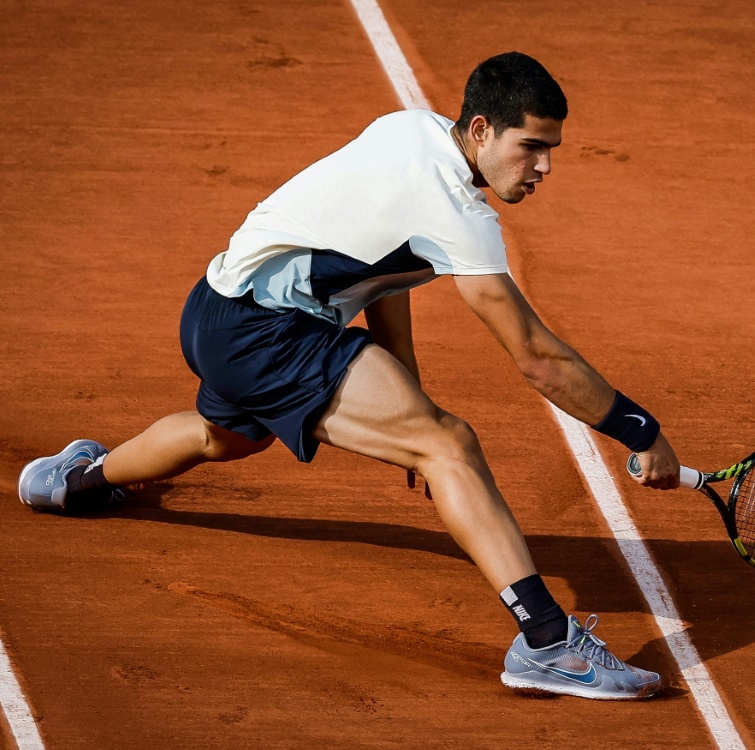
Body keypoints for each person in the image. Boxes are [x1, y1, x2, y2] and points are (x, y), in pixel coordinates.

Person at [18, 52, 681, 700]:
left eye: (551, 150)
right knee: (447, 443)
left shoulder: (410, 130)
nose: (542, 167)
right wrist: (638, 429)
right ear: (480, 129)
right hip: (266, 332)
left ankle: (76, 481)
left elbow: (383, 275)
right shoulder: (457, 211)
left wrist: (407, 396)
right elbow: (536, 357)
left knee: (227, 438)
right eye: (530, 146)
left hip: (216, 310)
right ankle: (547, 645)